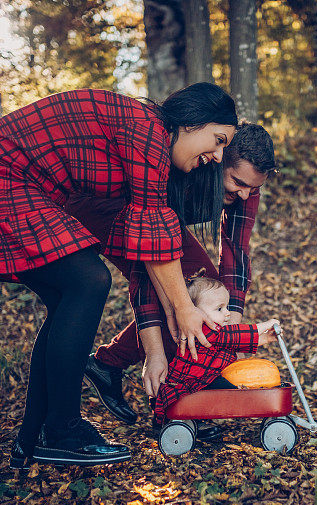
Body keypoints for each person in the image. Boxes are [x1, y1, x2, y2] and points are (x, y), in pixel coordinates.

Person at [0, 83, 238, 468]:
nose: (218, 155)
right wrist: (184, 310)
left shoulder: (150, 135)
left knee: (68, 298)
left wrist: (178, 309)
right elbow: (154, 233)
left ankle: (36, 436)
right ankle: (63, 430)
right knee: (89, 280)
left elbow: (152, 243)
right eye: (218, 140)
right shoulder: (150, 133)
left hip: (8, 180)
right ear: (191, 123)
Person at [67, 123, 276, 440]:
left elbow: (236, 249)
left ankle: (108, 364)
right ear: (218, 159)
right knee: (189, 295)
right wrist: (154, 352)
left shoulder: (245, 184)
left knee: (205, 293)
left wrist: (232, 316)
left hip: (160, 224)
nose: (246, 194)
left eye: (253, 188)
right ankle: (171, 408)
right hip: (104, 210)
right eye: (238, 183)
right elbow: (147, 269)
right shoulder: (182, 168)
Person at [151, 275, 279, 426]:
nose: (227, 313)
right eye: (219, 308)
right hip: (187, 383)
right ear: (196, 312)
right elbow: (232, 336)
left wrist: (266, 338)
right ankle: (245, 409)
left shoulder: (214, 332)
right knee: (232, 392)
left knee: (227, 389)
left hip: (203, 379)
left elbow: (228, 344)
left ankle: (204, 416)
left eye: (227, 307)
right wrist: (265, 325)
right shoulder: (203, 331)